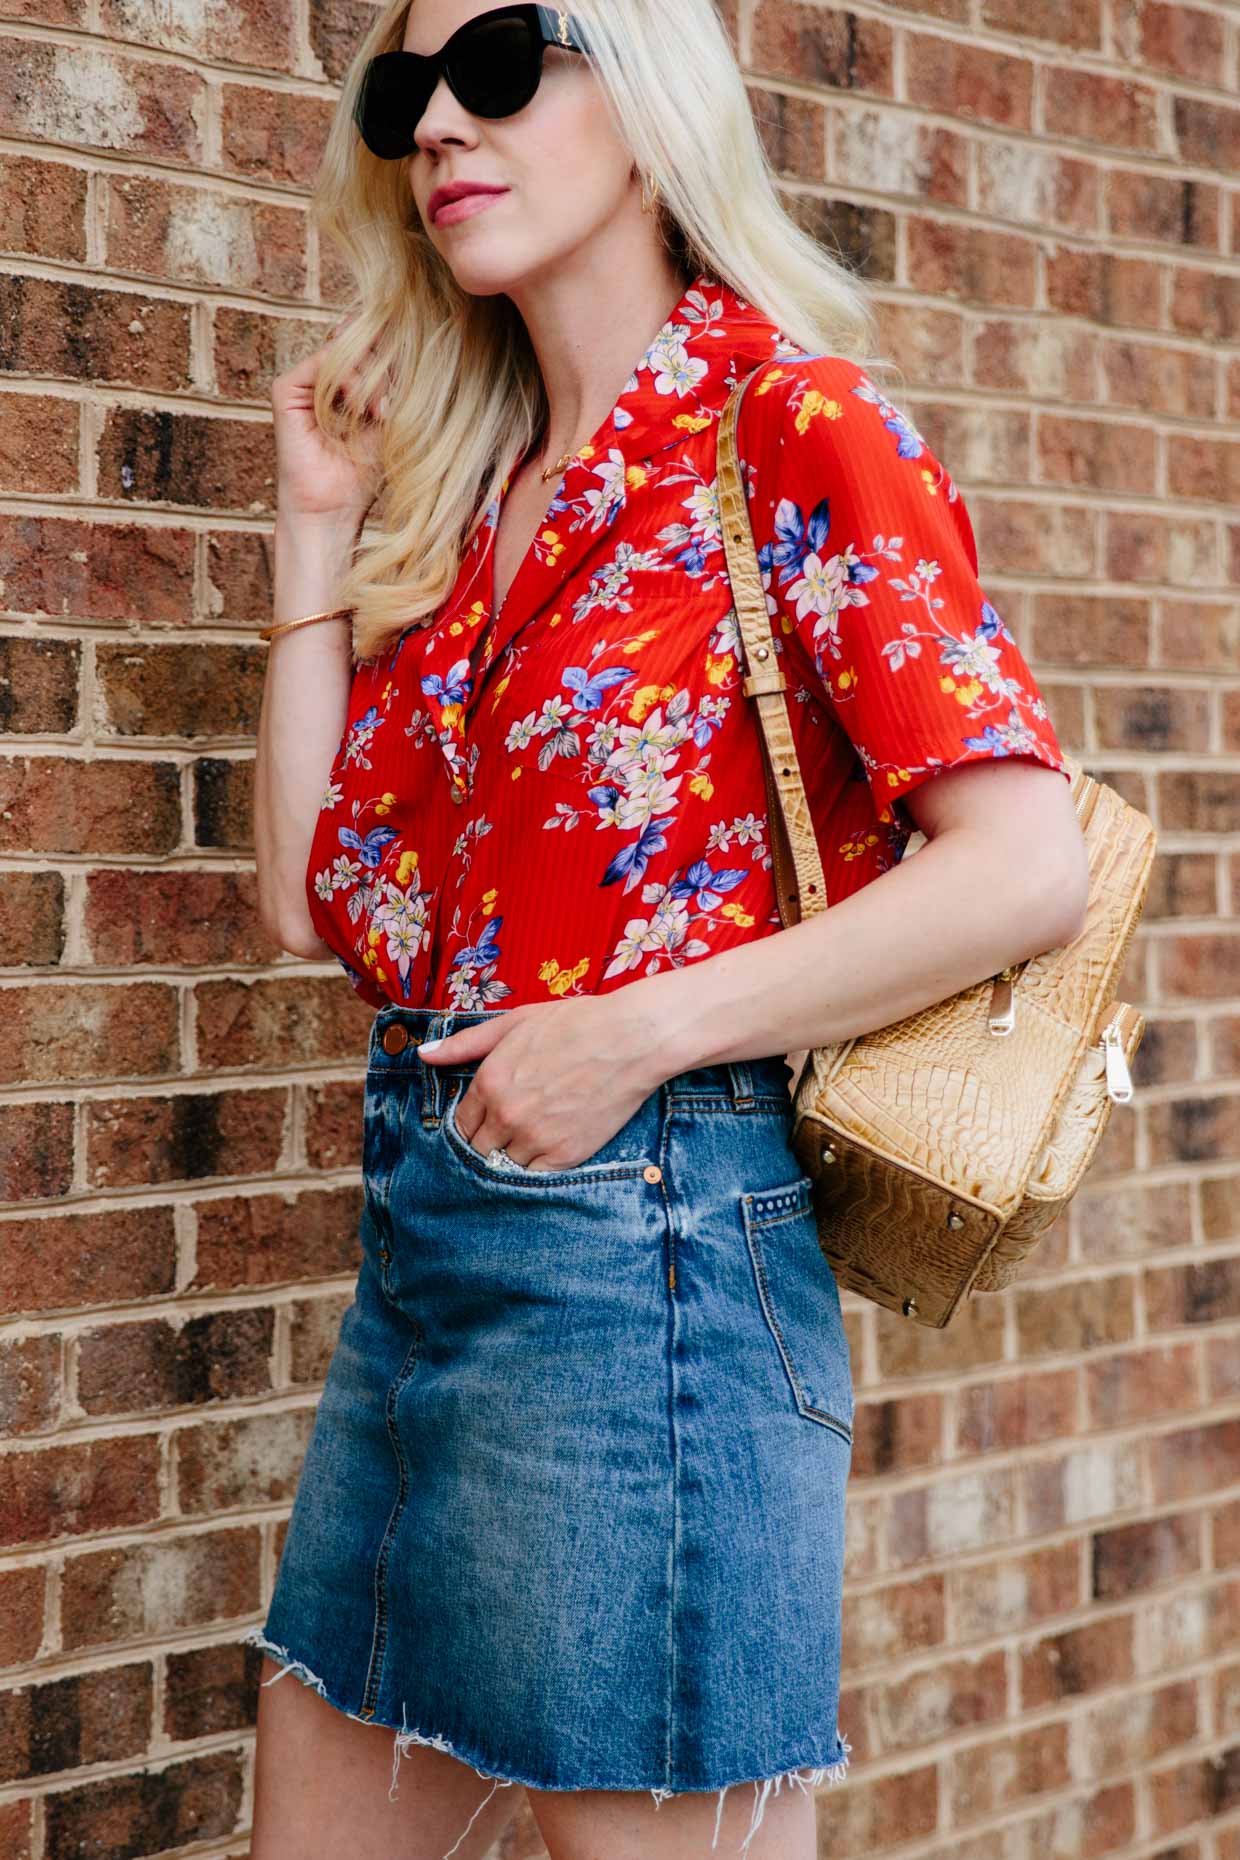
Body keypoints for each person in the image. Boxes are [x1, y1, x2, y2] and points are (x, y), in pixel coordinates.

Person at [247, 2, 1090, 1857]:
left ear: (649, 93)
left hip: (648, 1259)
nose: (439, 128)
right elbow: (311, 896)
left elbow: (1025, 858)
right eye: (404, 95)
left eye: (497, 66)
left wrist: (637, 1029)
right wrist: (318, 535)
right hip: (428, 1260)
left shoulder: (793, 422)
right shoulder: (475, 498)